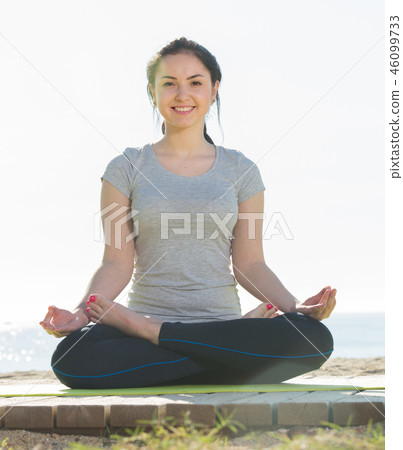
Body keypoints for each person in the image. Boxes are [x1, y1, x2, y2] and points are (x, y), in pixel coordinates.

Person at [40, 37, 336, 389]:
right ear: (152, 92)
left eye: (195, 82)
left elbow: (250, 263)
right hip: (157, 329)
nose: (183, 95)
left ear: (213, 91)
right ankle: (220, 357)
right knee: (71, 358)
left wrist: (294, 306)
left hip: (216, 327)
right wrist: (79, 313)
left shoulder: (241, 170)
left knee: (314, 337)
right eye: (169, 84)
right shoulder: (126, 168)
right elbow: (116, 262)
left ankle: (159, 334)